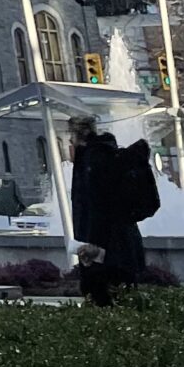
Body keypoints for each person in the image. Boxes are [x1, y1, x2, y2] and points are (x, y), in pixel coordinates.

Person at [71, 118, 147, 306]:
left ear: (79, 135)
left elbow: (98, 208)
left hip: (108, 253)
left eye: (70, 136)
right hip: (121, 248)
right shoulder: (102, 155)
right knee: (122, 300)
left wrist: (92, 247)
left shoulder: (94, 160)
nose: (69, 142)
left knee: (107, 303)